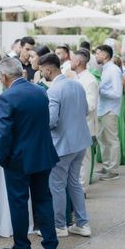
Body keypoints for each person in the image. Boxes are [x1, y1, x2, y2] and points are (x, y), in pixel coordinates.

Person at [0, 57, 59, 249]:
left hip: (19, 158)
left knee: (19, 202)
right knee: (43, 199)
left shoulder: (7, 97)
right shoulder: (40, 91)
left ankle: (22, 246)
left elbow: (4, 133)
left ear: (4, 76)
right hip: (42, 153)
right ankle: (50, 244)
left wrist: (2, 157)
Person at [39, 53, 92, 238]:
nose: (41, 74)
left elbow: (51, 121)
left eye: (41, 70)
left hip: (63, 145)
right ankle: (82, 224)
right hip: (81, 142)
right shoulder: (77, 84)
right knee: (74, 183)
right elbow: (85, 110)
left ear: (48, 69)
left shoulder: (53, 90)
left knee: (57, 185)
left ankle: (59, 226)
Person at [72, 49, 99, 190]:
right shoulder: (76, 78)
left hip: (86, 125)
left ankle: (82, 189)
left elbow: (91, 105)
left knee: (85, 158)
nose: (70, 61)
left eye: (72, 59)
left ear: (78, 62)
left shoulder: (89, 80)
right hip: (75, 125)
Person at [95, 45, 123, 181]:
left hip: (110, 110)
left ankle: (113, 170)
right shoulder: (105, 69)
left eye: (97, 53)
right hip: (102, 109)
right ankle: (107, 166)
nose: (96, 56)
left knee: (112, 140)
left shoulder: (114, 70)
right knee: (103, 140)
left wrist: (100, 91)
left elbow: (117, 93)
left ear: (105, 55)